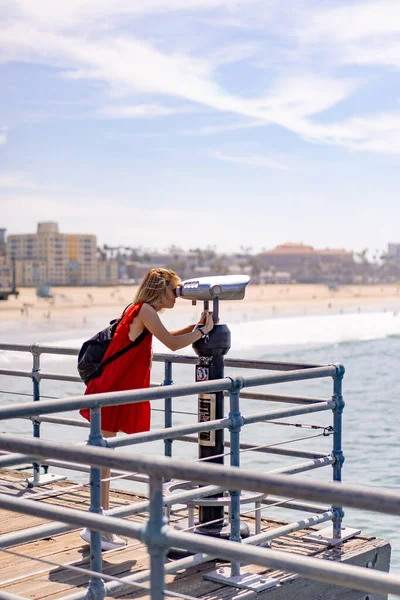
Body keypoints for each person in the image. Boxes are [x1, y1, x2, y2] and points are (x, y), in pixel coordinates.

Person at [79, 267, 214, 550]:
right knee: (103, 459)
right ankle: (96, 528)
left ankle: (98, 525)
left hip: (112, 388)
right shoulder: (145, 311)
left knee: (104, 459)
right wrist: (202, 331)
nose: (177, 296)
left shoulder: (140, 310)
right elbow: (173, 345)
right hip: (109, 390)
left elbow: (165, 336)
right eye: (174, 291)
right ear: (161, 289)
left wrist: (195, 328)